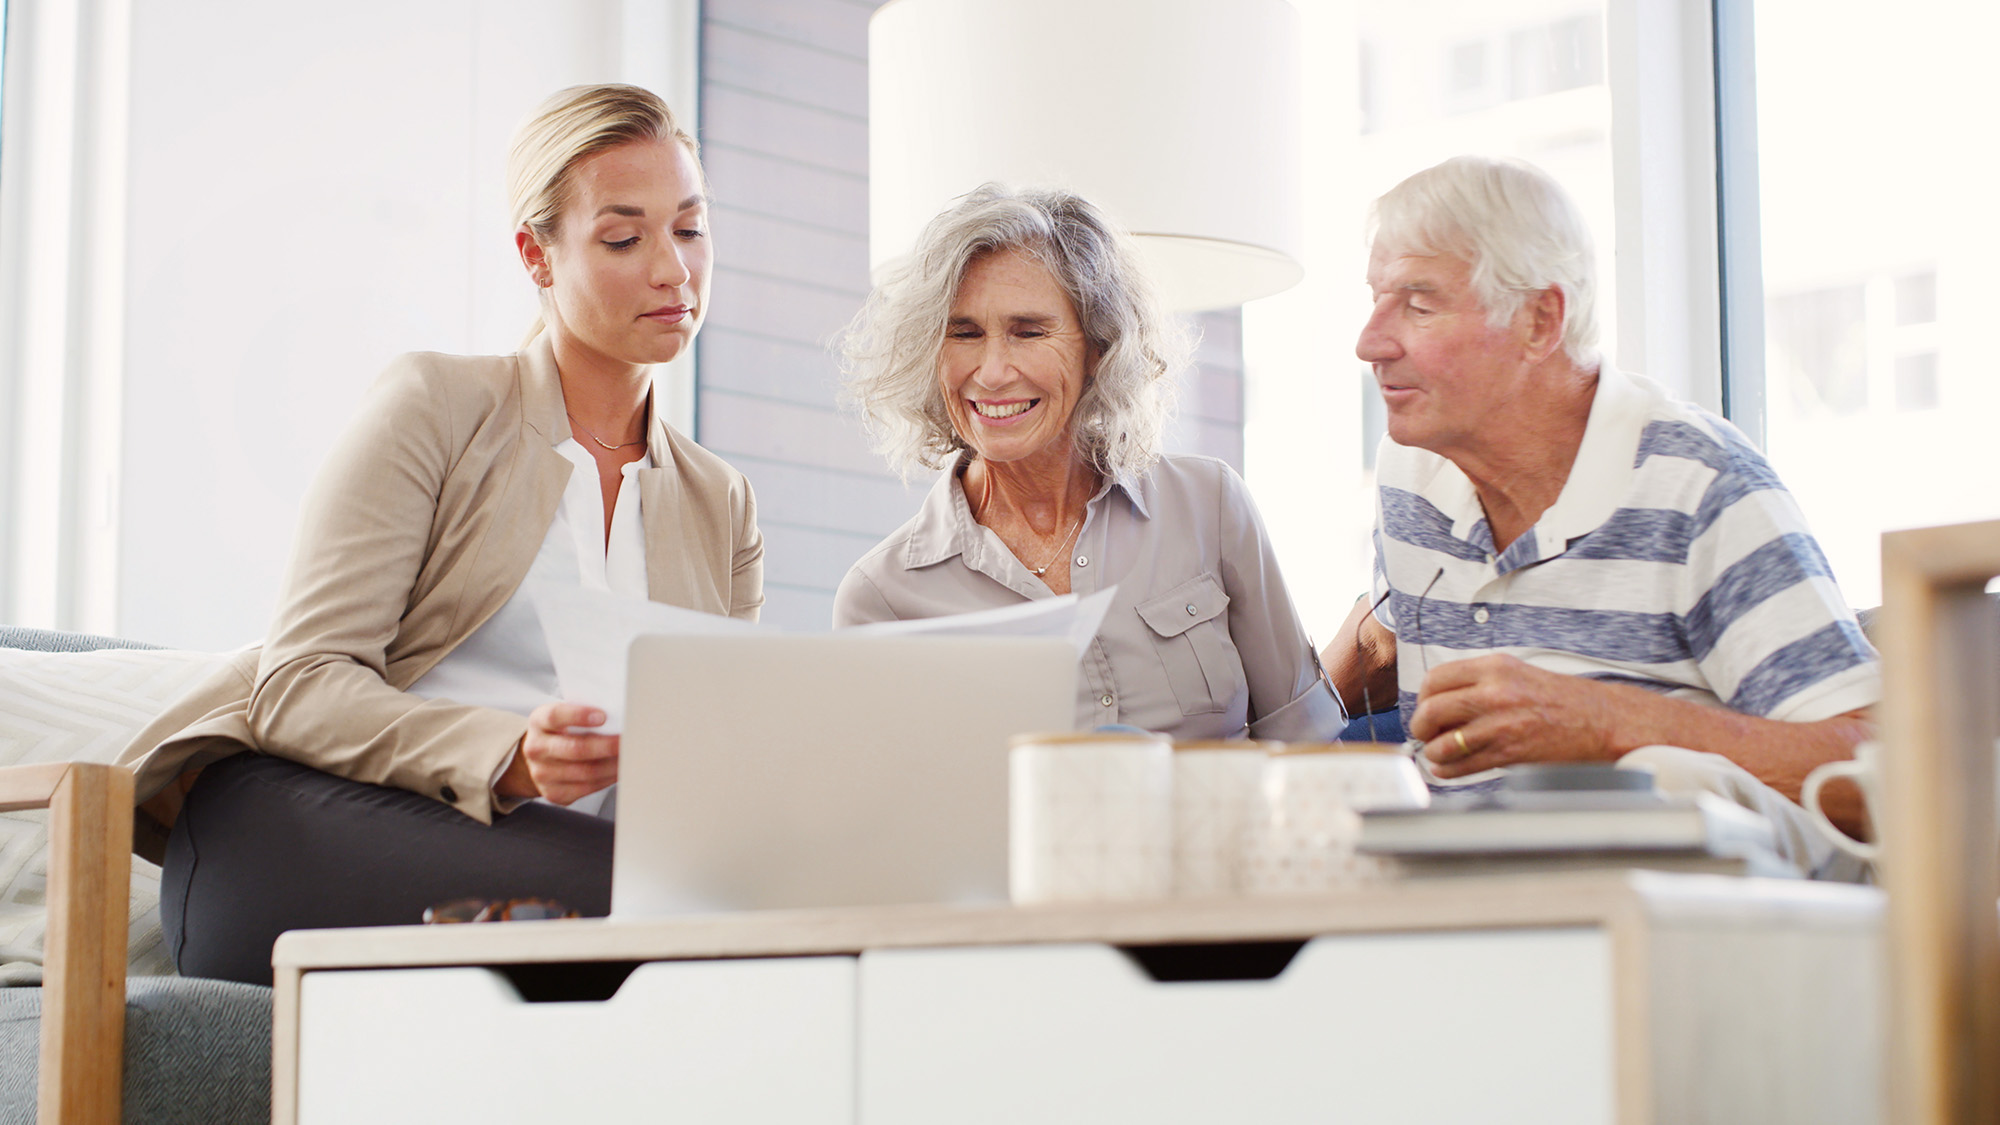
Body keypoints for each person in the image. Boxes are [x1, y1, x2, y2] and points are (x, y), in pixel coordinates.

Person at [117, 85, 762, 983]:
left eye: (690, 229)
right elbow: (298, 683)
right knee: (682, 918)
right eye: (624, 236)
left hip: (562, 856)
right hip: (303, 828)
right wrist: (509, 758)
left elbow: (714, 749)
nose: (673, 269)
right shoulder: (438, 406)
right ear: (536, 255)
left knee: (751, 901)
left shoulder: (719, 500)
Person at [1322, 155, 1879, 878]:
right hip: (1478, 921)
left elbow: (1880, 772)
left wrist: (1608, 725)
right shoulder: (1412, 476)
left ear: (1539, 320)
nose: (1370, 342)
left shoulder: (1698, 484)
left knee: (1660, 786)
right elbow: (1380, 634)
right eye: (1375, 299)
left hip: (1690, 932)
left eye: (1419, 305)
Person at [833, 185, 1342, 742]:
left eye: (1029, 332)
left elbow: (1304, 742)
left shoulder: (1209, 503)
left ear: (1099, 348)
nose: (993, 371)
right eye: (965, 334)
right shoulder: (882, 596)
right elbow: (894, 813)